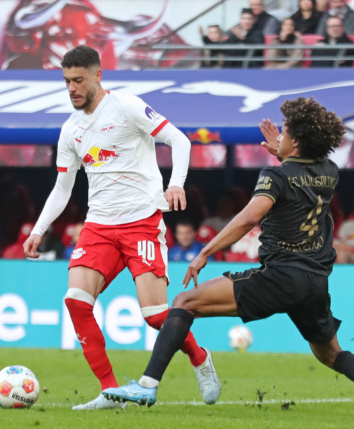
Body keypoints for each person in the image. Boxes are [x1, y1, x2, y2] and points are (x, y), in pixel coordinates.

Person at [102, 97, 354, 418]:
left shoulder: (275, 176)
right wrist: (283, 153)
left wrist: (205, 253)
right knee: (331, 354)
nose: (279, 136)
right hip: (315, 283)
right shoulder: (329, 172)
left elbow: (249, 218)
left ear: (296, 141)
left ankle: (148, 384)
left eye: (285, 132)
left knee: (185, 302)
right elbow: (301, 174)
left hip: (280, 277)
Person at [23, 45, 214, 410]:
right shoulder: (71, 129)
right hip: (98, 226)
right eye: (67, 81)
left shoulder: (127, 107)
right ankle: (110, 392)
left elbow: (179, 139)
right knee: (76, 301)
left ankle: (199, 357)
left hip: (141, 223)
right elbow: (62, 188)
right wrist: (38, 229)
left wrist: (176, 183)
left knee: (155, 316)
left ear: (98, 75)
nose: (72, 88)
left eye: (78, 80)